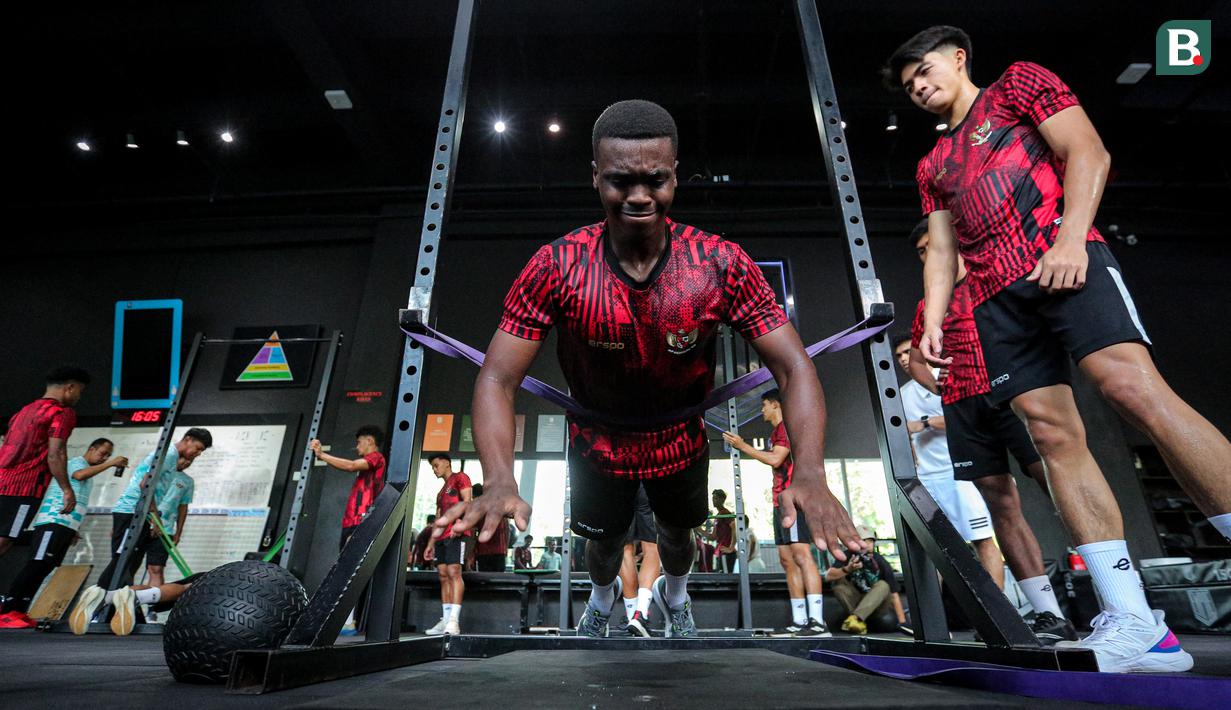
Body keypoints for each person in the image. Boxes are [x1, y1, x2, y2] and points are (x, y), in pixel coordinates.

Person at [443, 100, 862, 640]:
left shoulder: (720, 263)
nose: (639, 195)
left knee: (678, 537)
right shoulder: (557, 266)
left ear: (675, 177)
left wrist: (811, 472)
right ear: (596, 177)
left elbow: (794, 367)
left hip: (679, 437)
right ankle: (602, 600)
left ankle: (675, 596)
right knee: (603, 544)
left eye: (655, 180)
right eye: (621, 180)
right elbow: (498, 379)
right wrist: (500, 477)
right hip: (597, 438)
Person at [887, 25, 1222, 672]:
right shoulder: (931, 165)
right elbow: (943, 249)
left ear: (958, 57)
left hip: (1061, 256)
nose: (919, 88)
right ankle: (1136, 623)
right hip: (995, 299)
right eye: (908, 86)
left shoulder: (1017, 84)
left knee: (1132, 390)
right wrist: (932, 317)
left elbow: (1088, 152)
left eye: (924, 72)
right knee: (1050, 435)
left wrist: (1070, 240)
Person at [903, 219, 1076, 643]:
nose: (928, 256)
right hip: (966, 406)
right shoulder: (929, 307)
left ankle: (1121, 598)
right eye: (921, 252)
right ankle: (1049, 615)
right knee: (1000, 503)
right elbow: (918, 360)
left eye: (932, 246)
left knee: (1062, 485)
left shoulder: (993, 280)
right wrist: (940, 387)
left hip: (1013, 395)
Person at [892, 333, 1003, 582]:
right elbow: (906, 432)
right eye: (898, 355)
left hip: (960, 474)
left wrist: (925, 422)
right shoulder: (901, 394)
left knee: (982, 539)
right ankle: (941, 607)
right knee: (936, 548)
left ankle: (999, 603)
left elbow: (966, 418)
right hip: (926, 479)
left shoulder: (947, 379)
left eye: (908, 352)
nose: (903, 359)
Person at [725, 389, 830, 637]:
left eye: (764, 405)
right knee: (786, 559)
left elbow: (775, 459)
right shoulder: (775, 432)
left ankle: (817, 622)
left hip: (795, 501)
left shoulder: (787, 427)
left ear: (775, 405)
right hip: (779, 501)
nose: (762, 410)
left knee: (802, 555)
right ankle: (800, 620)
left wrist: (742, 445)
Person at [0, 438, 126, 628]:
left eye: (108, 456)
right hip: (52, 522)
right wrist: (111, 464)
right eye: (103, 453)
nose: (104, 458)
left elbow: (79, 498)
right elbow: (79, 475)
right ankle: (8, 610)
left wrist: (74, 528)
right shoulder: (75, 463)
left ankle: (20, 610)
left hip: (66, 526)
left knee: (45, 568)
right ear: (91, 449)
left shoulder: (89, 474)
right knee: (36, 564)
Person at [97, 429, 212, 591]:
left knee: (131, 564)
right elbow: (145, 484)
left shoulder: (172, 458)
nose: (198, 454)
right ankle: (98, 599)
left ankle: (116, 601)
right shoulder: (168, 454)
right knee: (121, 562)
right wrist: (155, 516)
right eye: (198, 448)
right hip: (132, 512)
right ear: (188, 439)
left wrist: (154, 516)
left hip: (141, 514)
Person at [0, 366, 89, 559]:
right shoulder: (61, 413)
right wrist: (67, 490)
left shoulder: (24, 411)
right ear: (70, 387)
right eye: (80, 391)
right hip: (23, 489)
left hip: (2, 482)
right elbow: (56, 454)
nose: (78, 397)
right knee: (5, 539)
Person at [311, 425, 387, 634]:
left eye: (359, 442)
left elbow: (351, 465)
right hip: (350, 521)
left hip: (362, 521)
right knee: (346, 569)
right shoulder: (367, 467)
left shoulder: (376, 458)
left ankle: (348, 620)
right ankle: (344, 619)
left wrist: (321, 455)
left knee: (351, 569)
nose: (357, 446)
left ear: (370, 441)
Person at [70, 572, 206, 636]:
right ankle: (135, 597)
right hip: (216, 578)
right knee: (192, 588)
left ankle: (107, 596)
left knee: (158, 590)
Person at [824, 526, 902, 635]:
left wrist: (902, 623)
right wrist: (847, 569)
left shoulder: (879, 560)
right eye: (864, 541)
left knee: (883, 585)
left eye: (871, 541)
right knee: (838, 584)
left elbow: (894, 594)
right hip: (856, 601)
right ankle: (857, 620)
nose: (868, 544)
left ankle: (856, 619)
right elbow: (828, 576)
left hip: (878, 606)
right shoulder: (847, 556)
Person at [425, 454, 471, 636]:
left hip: (456, 534)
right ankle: (445, 619)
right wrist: (430, 543)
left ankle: (454, 621)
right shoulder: (441, 492)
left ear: (446, 463)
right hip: (441, 537)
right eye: (432, 467)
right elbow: (438, 519)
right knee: (443, 575)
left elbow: (468, 503)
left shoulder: (460, 477)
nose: (434, 469)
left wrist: (460, 525)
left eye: (436, 465)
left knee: (454, 572)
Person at [619, 485, 660, 636]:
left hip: (621, 479)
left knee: (625, 548)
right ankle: (640, 615)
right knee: (652, 546)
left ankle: (632, 617)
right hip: (649, 479)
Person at [709, 489, 736, 573]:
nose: (713, 500)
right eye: (713, 498)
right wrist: (698, 529)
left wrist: (731, 547)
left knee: (726, 578)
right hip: (720, 552)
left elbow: (734, 527)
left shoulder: (725, 513)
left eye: (716, 498)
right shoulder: (718, 515)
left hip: (726, 553)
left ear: (722, 500)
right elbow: (713, 537)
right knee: (720, 577)